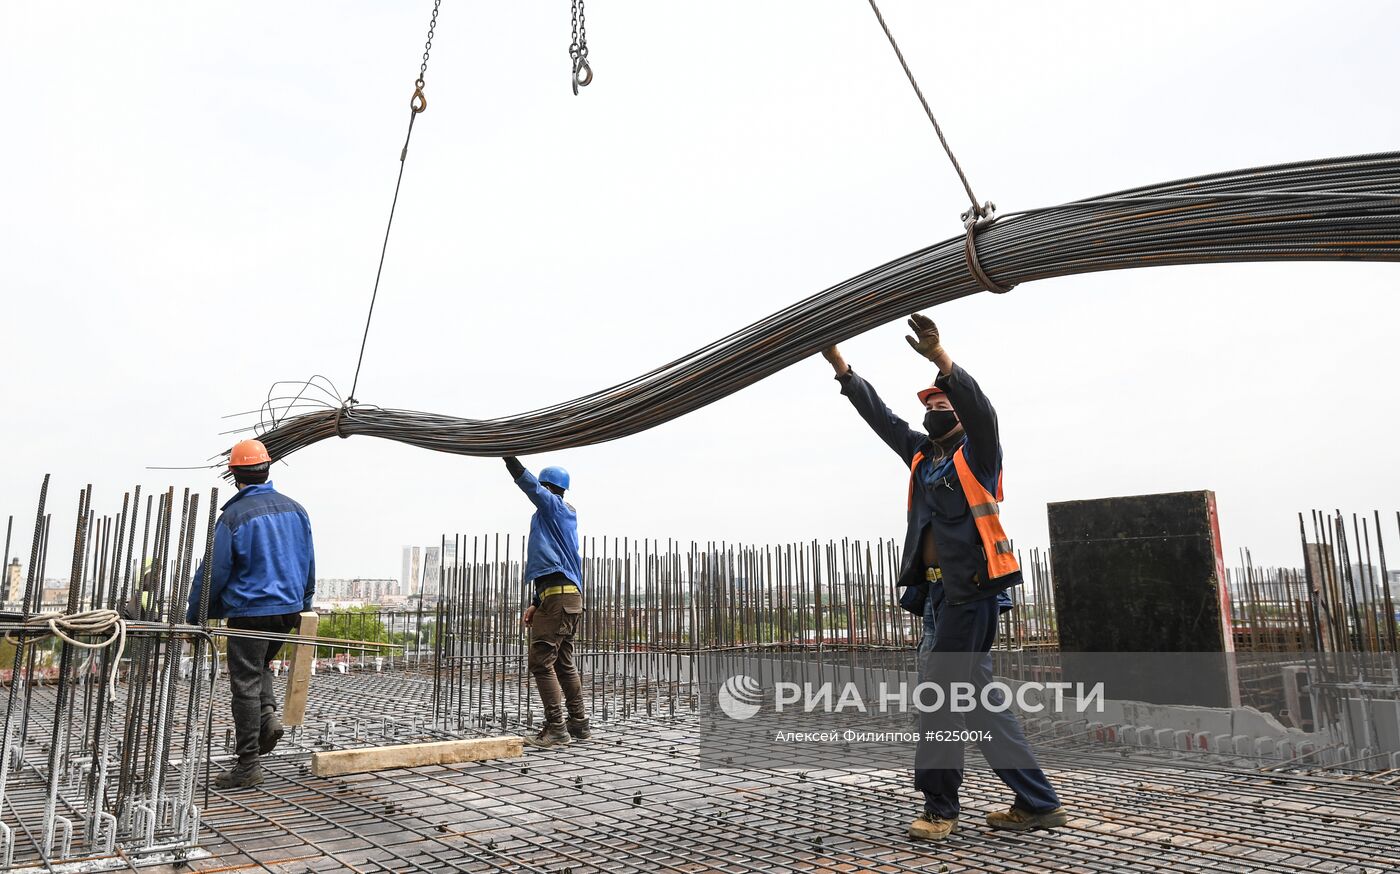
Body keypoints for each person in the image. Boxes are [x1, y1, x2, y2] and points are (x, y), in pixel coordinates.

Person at [820, 314, 1067, 841]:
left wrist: (941, 360)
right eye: (929, 406)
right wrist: (842, 367)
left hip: (973, 592)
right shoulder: (922, 455)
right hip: (936, 595)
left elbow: (984, 412)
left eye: (942, 405)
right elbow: (881, 417)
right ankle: (1037, 802)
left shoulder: (978, 456)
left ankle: (940, 808)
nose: (934, 411)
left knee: (940, 699)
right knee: (977, 701)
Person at [187, 438, 315, 789]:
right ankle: (268, 716)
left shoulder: (235, 516)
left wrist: (196, 615)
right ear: (267, 469)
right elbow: (308, 565)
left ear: (234, 475)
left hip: (250, 612)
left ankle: (248, 764)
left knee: (244, 683)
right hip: (287, 610)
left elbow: (214, 572)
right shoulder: (296, 509)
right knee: (260, 667)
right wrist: (303, 606)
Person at [503, 456, 590, 748]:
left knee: (541, 662)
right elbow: (553, 567)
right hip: (565, 597)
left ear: (549, 487)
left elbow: (528, 485)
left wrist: (507, 456)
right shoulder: (561, 515)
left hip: (558, 599)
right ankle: (578, 724)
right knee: (564, 661)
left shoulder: (552, 505)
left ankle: (556, 729)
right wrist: (535, 601)